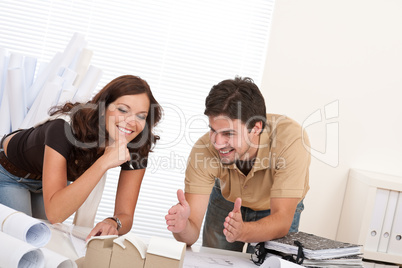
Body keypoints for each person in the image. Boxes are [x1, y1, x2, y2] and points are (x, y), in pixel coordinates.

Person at [0, 75, 162, 239]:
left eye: (141, 116)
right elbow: (55, 214)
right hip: (10, 174)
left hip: (47, 182)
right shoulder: (64, 129)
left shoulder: (136, 144)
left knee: (47, 242)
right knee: (24, 240)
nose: (131, 122)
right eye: (123, 110)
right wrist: (103, 162)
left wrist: (113, 222)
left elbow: (125, 214)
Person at [165, 76, 310, 252]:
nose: (217, 143)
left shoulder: (291, 140)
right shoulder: (203, 149)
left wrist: (243, 231)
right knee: (215, 260)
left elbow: (281, 220)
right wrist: (182, 227)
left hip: (275, 209)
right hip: (227, 198)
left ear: (256, 128)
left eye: (228, 134)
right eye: (213, 130)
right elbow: (190, 235)